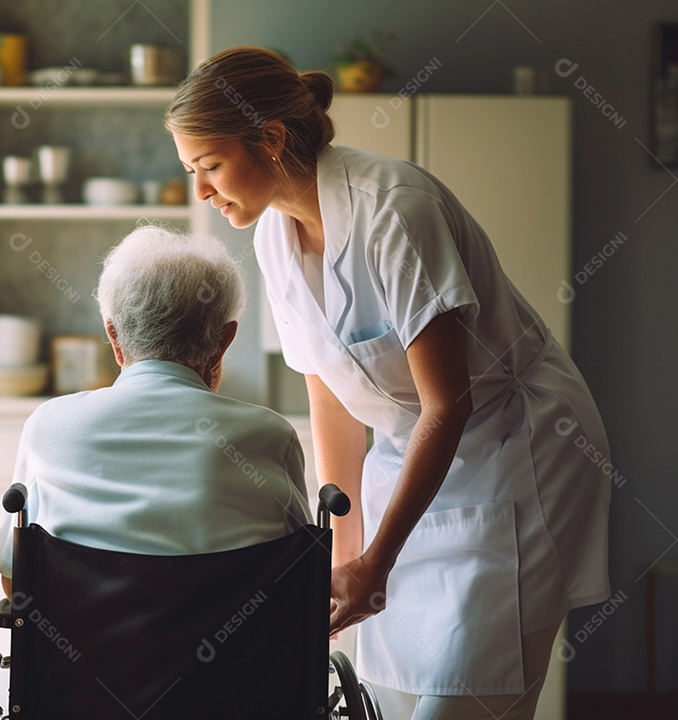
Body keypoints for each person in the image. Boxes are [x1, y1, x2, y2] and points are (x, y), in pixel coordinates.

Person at [166, 46, 611, 719]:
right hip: (407, 463)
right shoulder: (272, 242)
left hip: (513, 453)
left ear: (273, 138)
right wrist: (344, 559)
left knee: (467, 694)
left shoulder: (393, 208)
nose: (200, 190)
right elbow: (332, 403)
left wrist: (378, 557)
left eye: (210, 166)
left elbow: (448, 402)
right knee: (391, 694)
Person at [0, 226, 312, 597]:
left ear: (114, 338)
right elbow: (302, 578)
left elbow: (13, 579)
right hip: (239, 655)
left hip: (84, 655)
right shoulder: (270, 436)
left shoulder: (48, 427)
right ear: (224, 341)